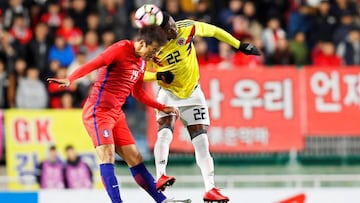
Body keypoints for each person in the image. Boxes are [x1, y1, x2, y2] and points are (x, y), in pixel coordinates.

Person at [47, 25, 185, 203]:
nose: (154, 54)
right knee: (108, 155)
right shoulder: (120, 49)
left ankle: (162, 200)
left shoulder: (142, 61)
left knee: (135, 157)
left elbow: (137, 92)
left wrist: (161, 106)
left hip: (116, 115)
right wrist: (70, 78)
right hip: (98, 112)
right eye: (153, 50)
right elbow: (93, 63)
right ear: (142, 43)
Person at [142, 9, 260, 202]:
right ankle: (160, 175)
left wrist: (239, 45)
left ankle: (210, 189)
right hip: (168, 94)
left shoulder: (185, 27)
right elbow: (140, 74)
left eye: (172, 24)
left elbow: (214, 31)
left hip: (193, 93)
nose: (173, 29)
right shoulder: (152, 46)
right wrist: (157, 75)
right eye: (168, 28)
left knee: (202, 143)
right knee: (164, 133)